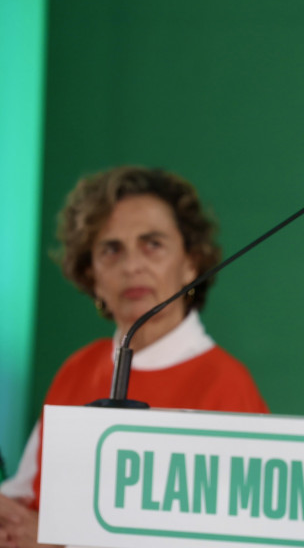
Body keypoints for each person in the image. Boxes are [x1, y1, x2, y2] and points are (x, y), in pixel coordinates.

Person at [0, 166, 269, 548]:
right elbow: (26, 495)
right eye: (111, 249)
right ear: (91, 274)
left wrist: (53, 541)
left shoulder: (227, 387)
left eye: (152, 244)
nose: (131, 266)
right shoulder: (80, 366)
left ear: (190, 263)